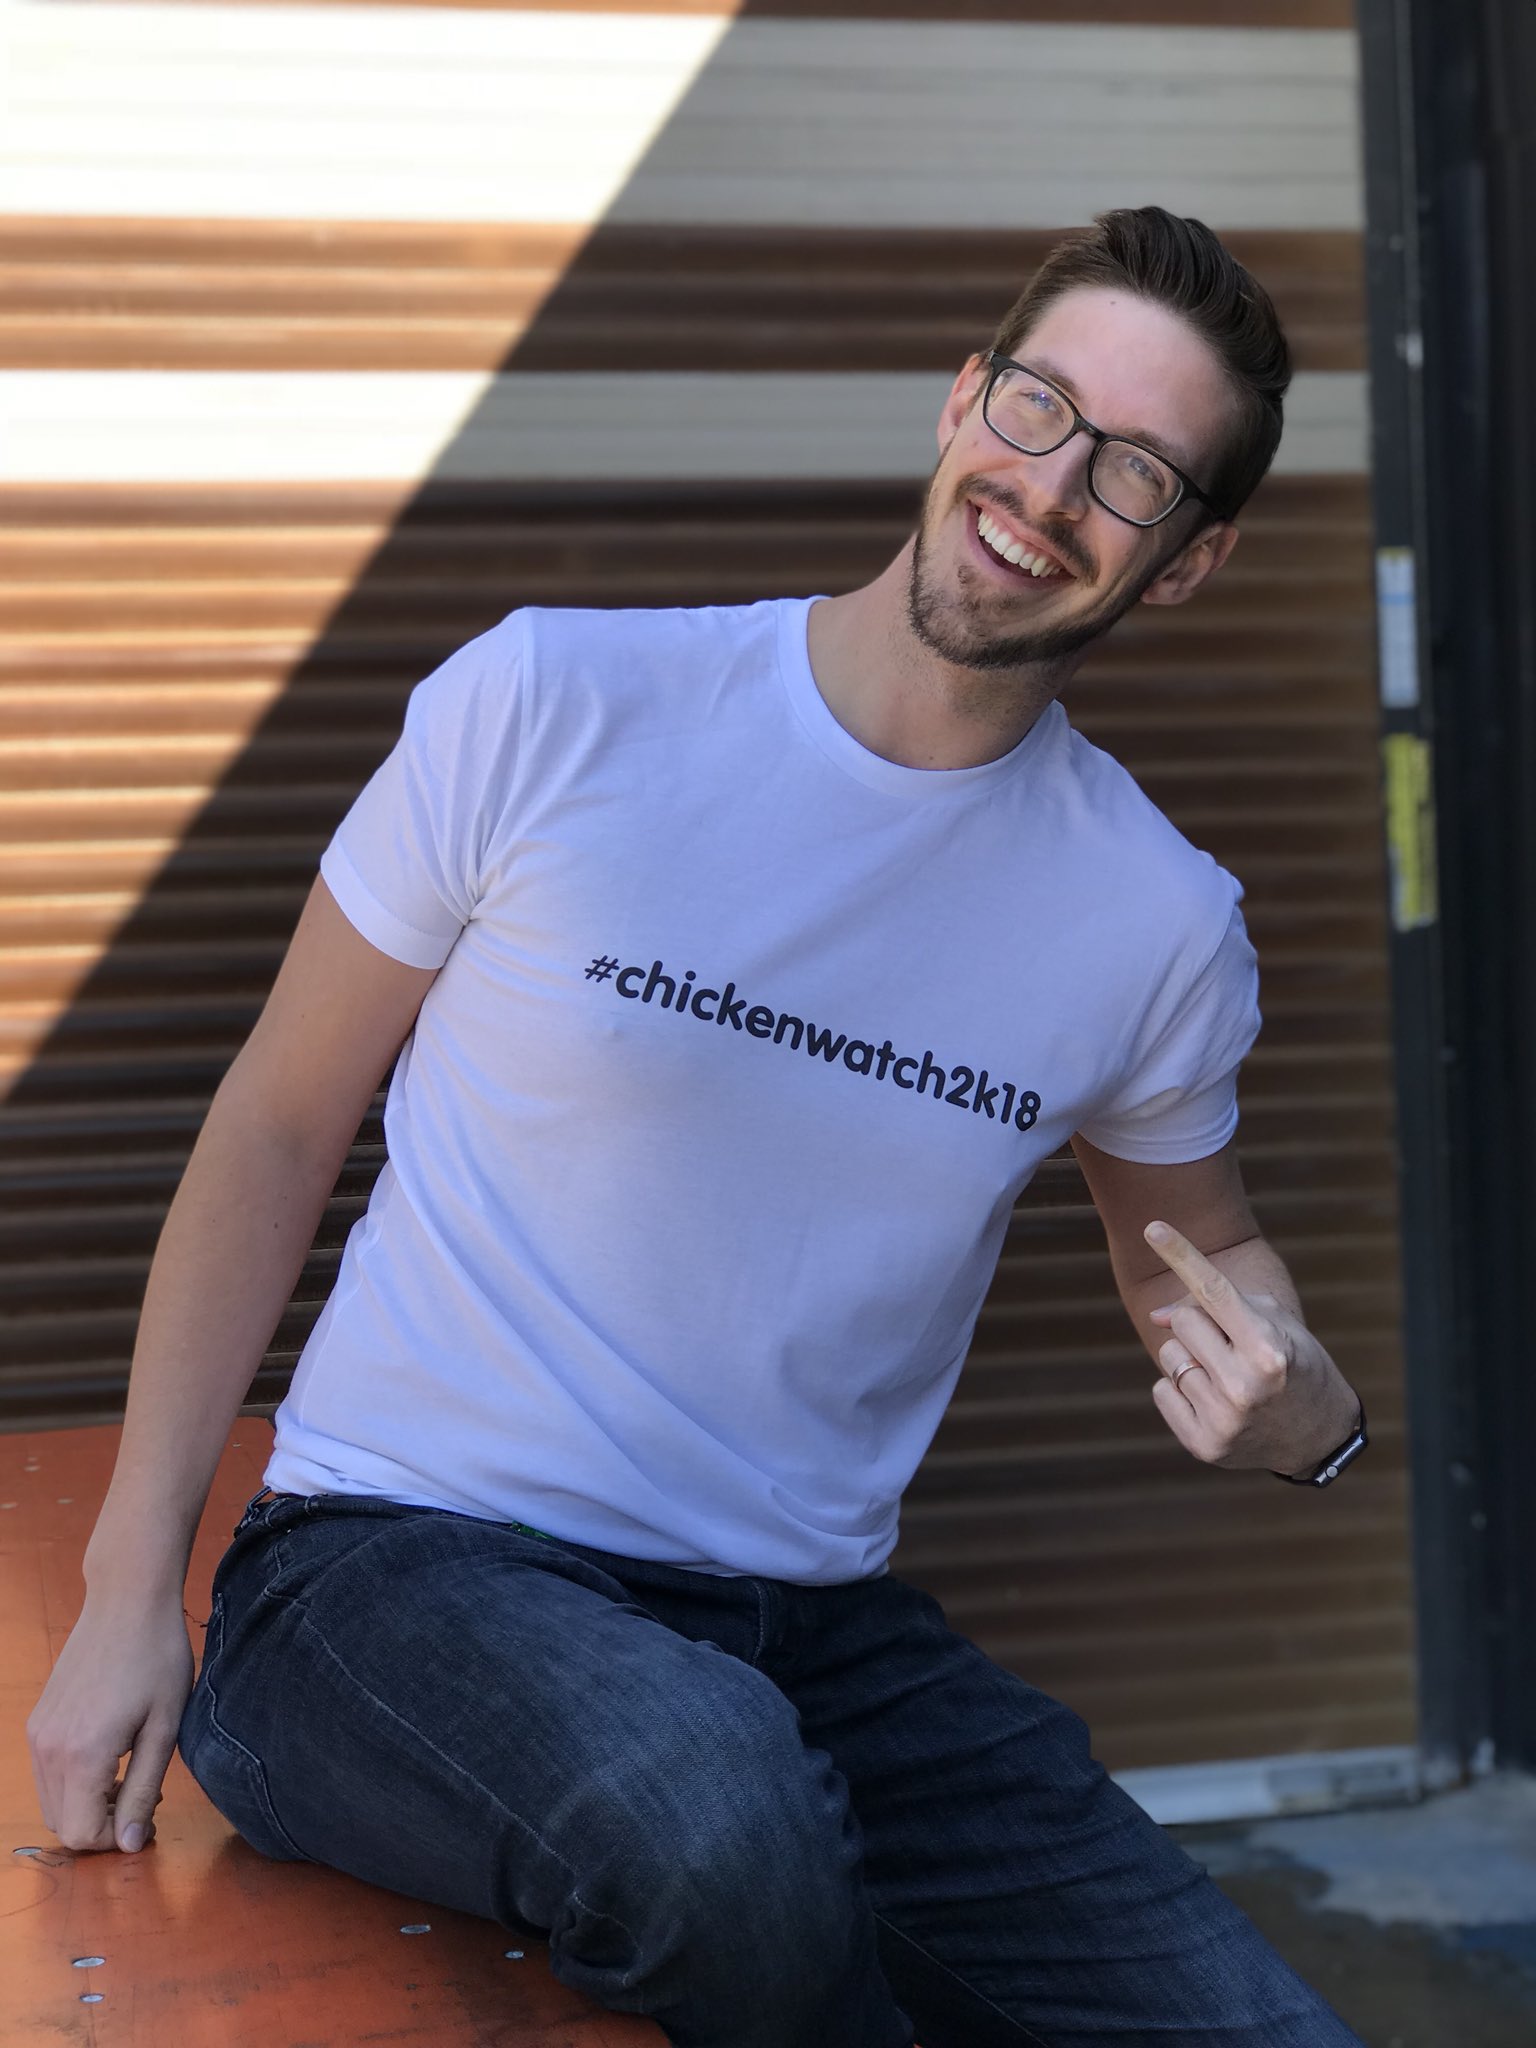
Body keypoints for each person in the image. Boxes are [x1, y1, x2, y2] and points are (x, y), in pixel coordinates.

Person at [28, 207, 1369, 2047]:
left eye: (1134, 471)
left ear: (1191, 558)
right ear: (963, 398)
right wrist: (126, 1591)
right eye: (1041, 406)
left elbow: (1197, 1255)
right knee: (718, 1819)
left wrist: (1307, 1411)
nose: (1052, 487)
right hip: (391, 1572)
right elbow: (275, 1123)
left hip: (809, 1642)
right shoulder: (554, 701)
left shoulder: (1152, 919)